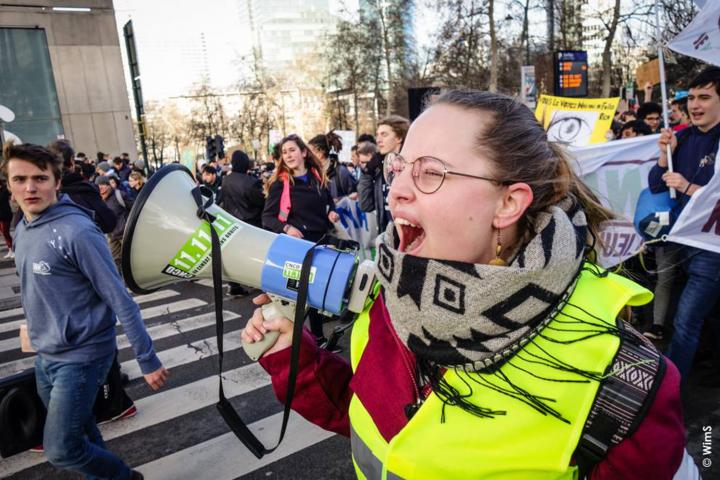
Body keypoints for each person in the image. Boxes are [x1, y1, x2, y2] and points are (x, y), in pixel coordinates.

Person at [243, 91, 692, 479]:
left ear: (509, 203)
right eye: (399, 168)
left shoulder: (622, 383)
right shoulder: (390, 293)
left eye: (430, 172)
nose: (397, 189)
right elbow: (365, 412)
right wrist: (292, 357)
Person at [4, 143, 167, 480]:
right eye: (20, 179)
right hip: (46, 355)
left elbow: (120, 298)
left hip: (82, 357)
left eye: (40, 178)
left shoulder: (77, 232)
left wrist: (147, 358)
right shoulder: (22, 227)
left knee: (61, 448)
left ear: (57, 182)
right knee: (84, 436)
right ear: (8, 183)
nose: (30, 187)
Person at [648, 66, 720, 380]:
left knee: (685, 320)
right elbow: (655, 184)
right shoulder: (683, 136)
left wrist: (688, 186)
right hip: (682, 241)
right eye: (691, 97)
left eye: (705, 97)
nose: (694, 105)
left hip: (712, 245)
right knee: (707, 315)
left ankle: (668, 394)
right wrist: (665, 157)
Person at [262, 134, 340, 345]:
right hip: (297, 248)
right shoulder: (281, 184)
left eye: (292, 150)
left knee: (315, 294)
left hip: (321, 243)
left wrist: (332, 214)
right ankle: (289, 339)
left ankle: (317, 338)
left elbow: (328, 205)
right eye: (284, 152)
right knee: (299, 295)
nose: (288, 155)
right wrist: (287, 227)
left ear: (304, 152)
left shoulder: (317, 178)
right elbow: (267, 218)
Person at [221, 149, 265, 296]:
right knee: (257, 254)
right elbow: (260, 202)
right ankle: (256, 282)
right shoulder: (251, 182)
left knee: (235, 255)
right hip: (252, 222)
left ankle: (234, 285)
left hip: (233, 222)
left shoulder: (226, 180)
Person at [358, 116, 410, 237]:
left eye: (384, 134)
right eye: (377, 135)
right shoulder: (379, 169)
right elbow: (365, 205)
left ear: (398, 138)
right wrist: (367, 173)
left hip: (409, 237)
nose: (378, 140)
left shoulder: (411, 167)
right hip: (388, 238)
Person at [96, 175, 133, 272]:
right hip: (112, 236)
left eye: (102, 185)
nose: (100, 188)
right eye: (98, 186)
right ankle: (120, 281)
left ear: (108, 185)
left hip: (125, 234)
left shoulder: (119, 195)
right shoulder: (98, 200)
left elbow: (134, 209)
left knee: (131, 258)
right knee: (114, 260)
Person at [308, 130, 357, 200]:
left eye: (310, 152)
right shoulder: (311, 173)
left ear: (321, 152)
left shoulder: (341, 172)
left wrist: (336, 201)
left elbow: (355, 196)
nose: (307, 155)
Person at [0, 179, 13, 258]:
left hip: (5, 215)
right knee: (4, 234)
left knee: (6, 233)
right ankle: (10, 250)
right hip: (1, 216)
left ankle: (13, 249)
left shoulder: (4, 190)